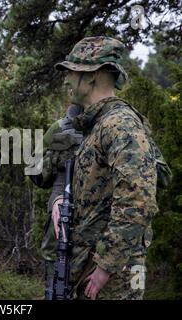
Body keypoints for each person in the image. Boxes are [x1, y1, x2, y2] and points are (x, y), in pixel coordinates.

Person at [52, 36, 162, 300]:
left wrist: (105, 266)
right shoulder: (97, 125)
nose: (66, 79)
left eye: (72, 72)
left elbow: (138, 200)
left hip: (112, 279)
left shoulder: (119, 124)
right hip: (90, 268)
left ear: (91, 77)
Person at [27, 104, 82, 298]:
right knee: (57, 288)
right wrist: (55, 156)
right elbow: (36, 174)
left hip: (101, 226)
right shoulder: (60, 127)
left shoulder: (117, 124)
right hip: (61, 223)